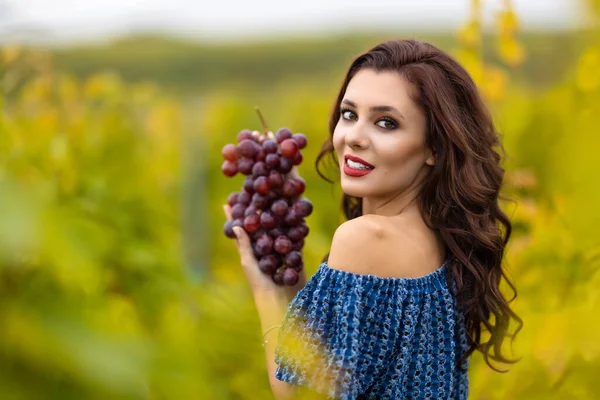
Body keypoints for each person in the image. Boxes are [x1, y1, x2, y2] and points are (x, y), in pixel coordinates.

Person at [223, 39, 522, 400]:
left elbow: (300, 392)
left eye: (385, 122)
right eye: (349, 115)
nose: (353, 137)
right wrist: (296, 284)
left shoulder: (365, 238)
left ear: (434, 148)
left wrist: (266, 292)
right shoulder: (441, 237)